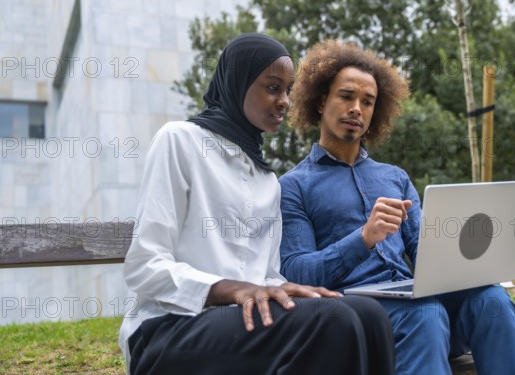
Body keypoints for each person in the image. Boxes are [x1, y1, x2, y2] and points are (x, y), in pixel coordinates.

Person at [118, 33, 395, 375]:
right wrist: (229, 289)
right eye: (272, 87)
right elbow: (145, 266)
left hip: (240, 323)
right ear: (238, 83)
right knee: (334, 320)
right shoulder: (179, 141)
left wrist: (281, 287)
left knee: (370, 316)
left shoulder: (266, 180)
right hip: (169, 328)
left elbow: (261, 277)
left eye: (288, 91)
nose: (284, 101)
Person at [278, 39, 515, 374]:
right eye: (346, 96)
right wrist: (363, 238)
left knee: (491, 299)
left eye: (368, 102)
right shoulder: (292, 186)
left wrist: (471, 256)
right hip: (354, 319)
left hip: (417, 309)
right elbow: (296, 272)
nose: (357, 108)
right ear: (319, 101)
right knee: (424, 313)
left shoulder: (394, 178)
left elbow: (426, 253)